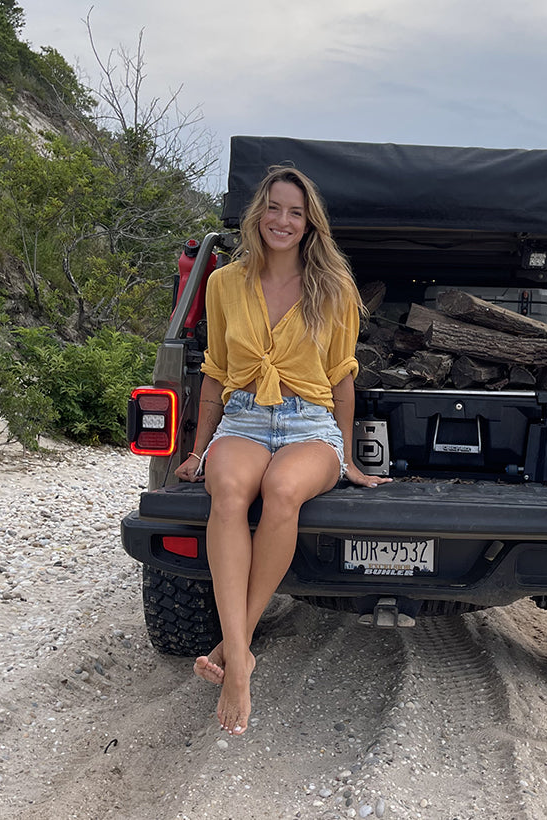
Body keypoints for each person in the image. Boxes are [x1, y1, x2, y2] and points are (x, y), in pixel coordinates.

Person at [173, 166, 392, 736]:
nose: (283, 220)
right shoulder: (224, 283)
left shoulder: (334, 288)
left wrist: (346, 457)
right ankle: (241, 662)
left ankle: (233, 646)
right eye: (274, 208)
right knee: (227, 491)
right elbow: (216, 374)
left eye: (296, 212)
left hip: (309, 422)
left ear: (309, 223)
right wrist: (198, 451)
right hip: (244, 416)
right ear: (258, 214)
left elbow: (342, 380)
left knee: (282, 490)